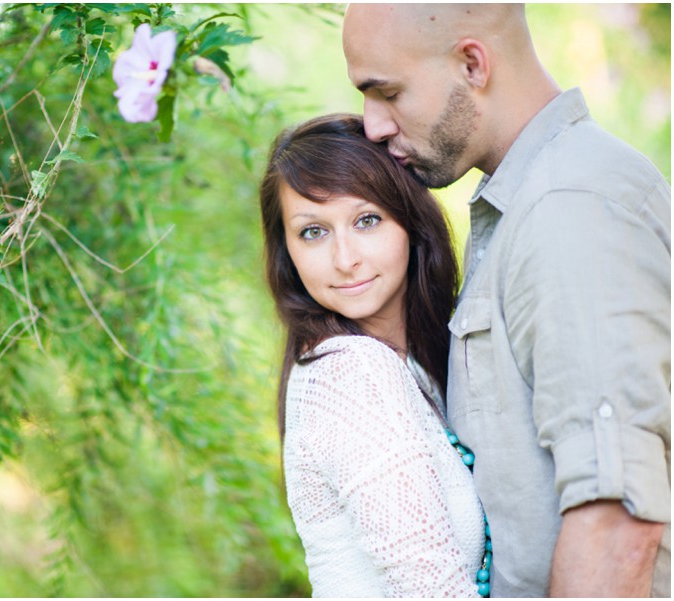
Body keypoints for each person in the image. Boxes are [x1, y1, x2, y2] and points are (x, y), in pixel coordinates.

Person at [342, 3, 671, 597]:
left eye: (387, 92)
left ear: (473, 63)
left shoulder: (571, 208)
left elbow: (617, 526)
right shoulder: (523, 205)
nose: (374, 126)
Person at [260, 113, 490, 597]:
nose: (345, 259)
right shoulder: (348, 374)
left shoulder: (415, 364)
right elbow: (431, 586)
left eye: (366, 220)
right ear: (288, 253)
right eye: (313, 232)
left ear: (409, 219)